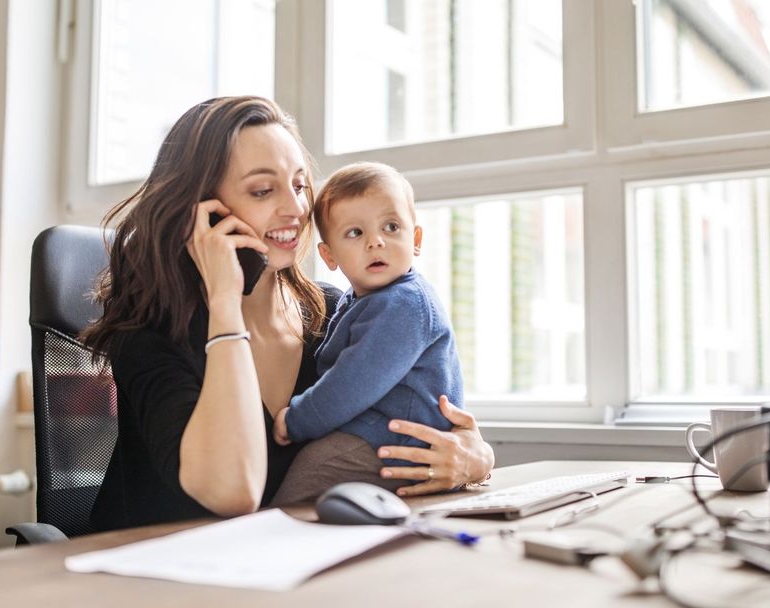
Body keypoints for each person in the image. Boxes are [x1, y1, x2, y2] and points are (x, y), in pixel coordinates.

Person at [81, 96, 494, 532]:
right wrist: (225, 301)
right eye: (263, 190)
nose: (297, 210)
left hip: (290, 571)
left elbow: (433, 420)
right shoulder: (149, 331)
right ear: (202, 212)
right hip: (157, 578)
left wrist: (474, 458)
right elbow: (233, 493)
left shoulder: (333, 313)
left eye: (299, 185)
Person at [270, 162, 463, 504]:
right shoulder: (359, 300)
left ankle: (269, 539)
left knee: (305, 480)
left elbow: (352, 383)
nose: (376, 242)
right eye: (355, 233)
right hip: (381, 436)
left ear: (415, 239)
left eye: (391, 227)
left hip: (397, 442)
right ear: (329, 255)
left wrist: (297, 420)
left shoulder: (404, 304)